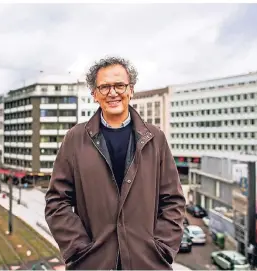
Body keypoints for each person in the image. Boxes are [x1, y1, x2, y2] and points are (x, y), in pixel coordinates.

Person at [45, 56, 186, 270]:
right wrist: (79, 249)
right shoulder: (74, 139)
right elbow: (57, 201)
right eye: (104, 87)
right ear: (94, 94)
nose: (113, 93)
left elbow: (173, 201)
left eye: (120, 85)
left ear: (131, 90)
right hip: (93, 264)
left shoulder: (155, 138)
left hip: (147, 265)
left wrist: (162, 249)